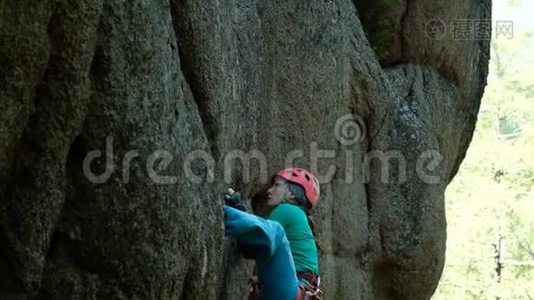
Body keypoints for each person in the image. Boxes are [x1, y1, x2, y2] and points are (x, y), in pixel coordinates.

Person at [224, 167, 323, 299]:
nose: (269, 190)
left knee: (277, 233)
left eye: (277, 185)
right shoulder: (300, 217)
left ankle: (227, 213)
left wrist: (238, 211)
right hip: (297, 291)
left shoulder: (287, 210)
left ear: (291, 195)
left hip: (292, 291)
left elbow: (256, 244)